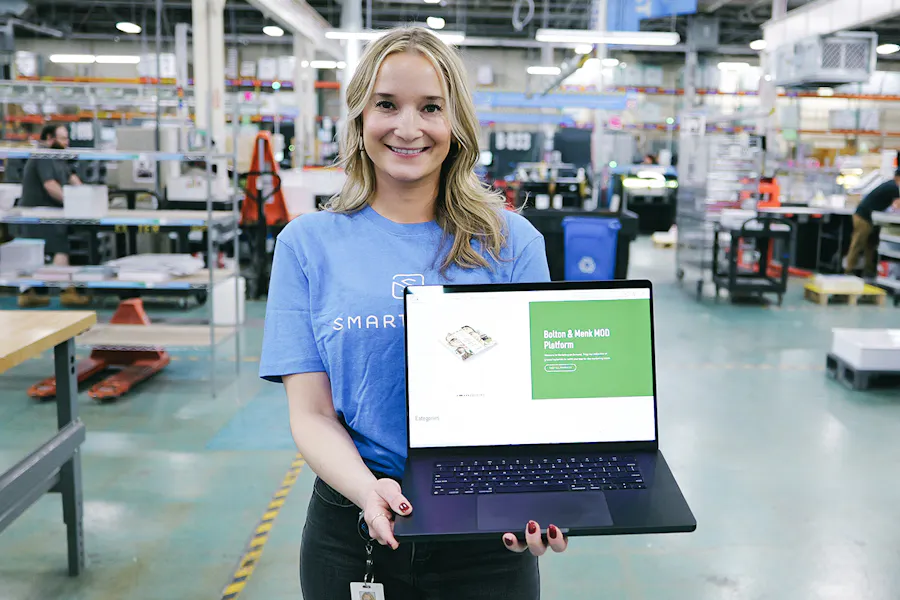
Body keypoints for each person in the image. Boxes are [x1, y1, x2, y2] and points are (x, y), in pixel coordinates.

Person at [259, 26, 567, 600]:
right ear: (358, 117)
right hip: (352, 525)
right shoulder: (307, 245)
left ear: (456, 123)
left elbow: (536, 400)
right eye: (386, 105)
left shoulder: (511, 242)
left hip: (486, 532)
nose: (408, 127)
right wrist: (368, 491)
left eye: (430, 107)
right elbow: (313, 413)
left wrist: (539, 499)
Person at [17, 123, 87, 307]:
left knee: (40, 251)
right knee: (59, 248)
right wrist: (74, 203)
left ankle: (29, 291)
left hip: (51, 211)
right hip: (39, 210)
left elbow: (73, 179)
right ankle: (66, 291)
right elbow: (50, 185)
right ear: (49, 139)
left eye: (67, 138)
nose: (67, 142)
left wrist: (88, 196)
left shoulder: (59, 158)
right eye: (62, 138)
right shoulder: (44, 156)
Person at [845, 169, 900, 277]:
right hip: (863, 218)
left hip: (867, 217)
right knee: (858, 244)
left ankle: (869, 272)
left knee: (870, 245)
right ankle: (849, 271)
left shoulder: (890, 185)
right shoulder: (893, 187)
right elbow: (897, 204)